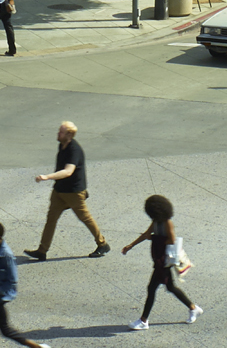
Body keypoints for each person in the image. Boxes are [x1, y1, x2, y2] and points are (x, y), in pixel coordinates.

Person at [25, 121, 108, 260]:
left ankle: (102, 244)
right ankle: (42, 250)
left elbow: (68, 171)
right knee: (51, 219)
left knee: (85, 218)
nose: (58, 133)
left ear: (69, 134)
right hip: (59, 190)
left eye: (61, 131)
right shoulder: (62, 145)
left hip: (73, 192)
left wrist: (47, 177)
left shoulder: (74, 150)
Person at [120, 194, 202, 329]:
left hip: (164, 260)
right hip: (159, 258)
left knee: (152, 288)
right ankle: (193, 308)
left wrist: (155, 238)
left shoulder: (167, 222)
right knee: (170, 287)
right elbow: (146, 234)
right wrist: (131, 245)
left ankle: (143, 320)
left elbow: (171, 240)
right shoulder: (156, 221)